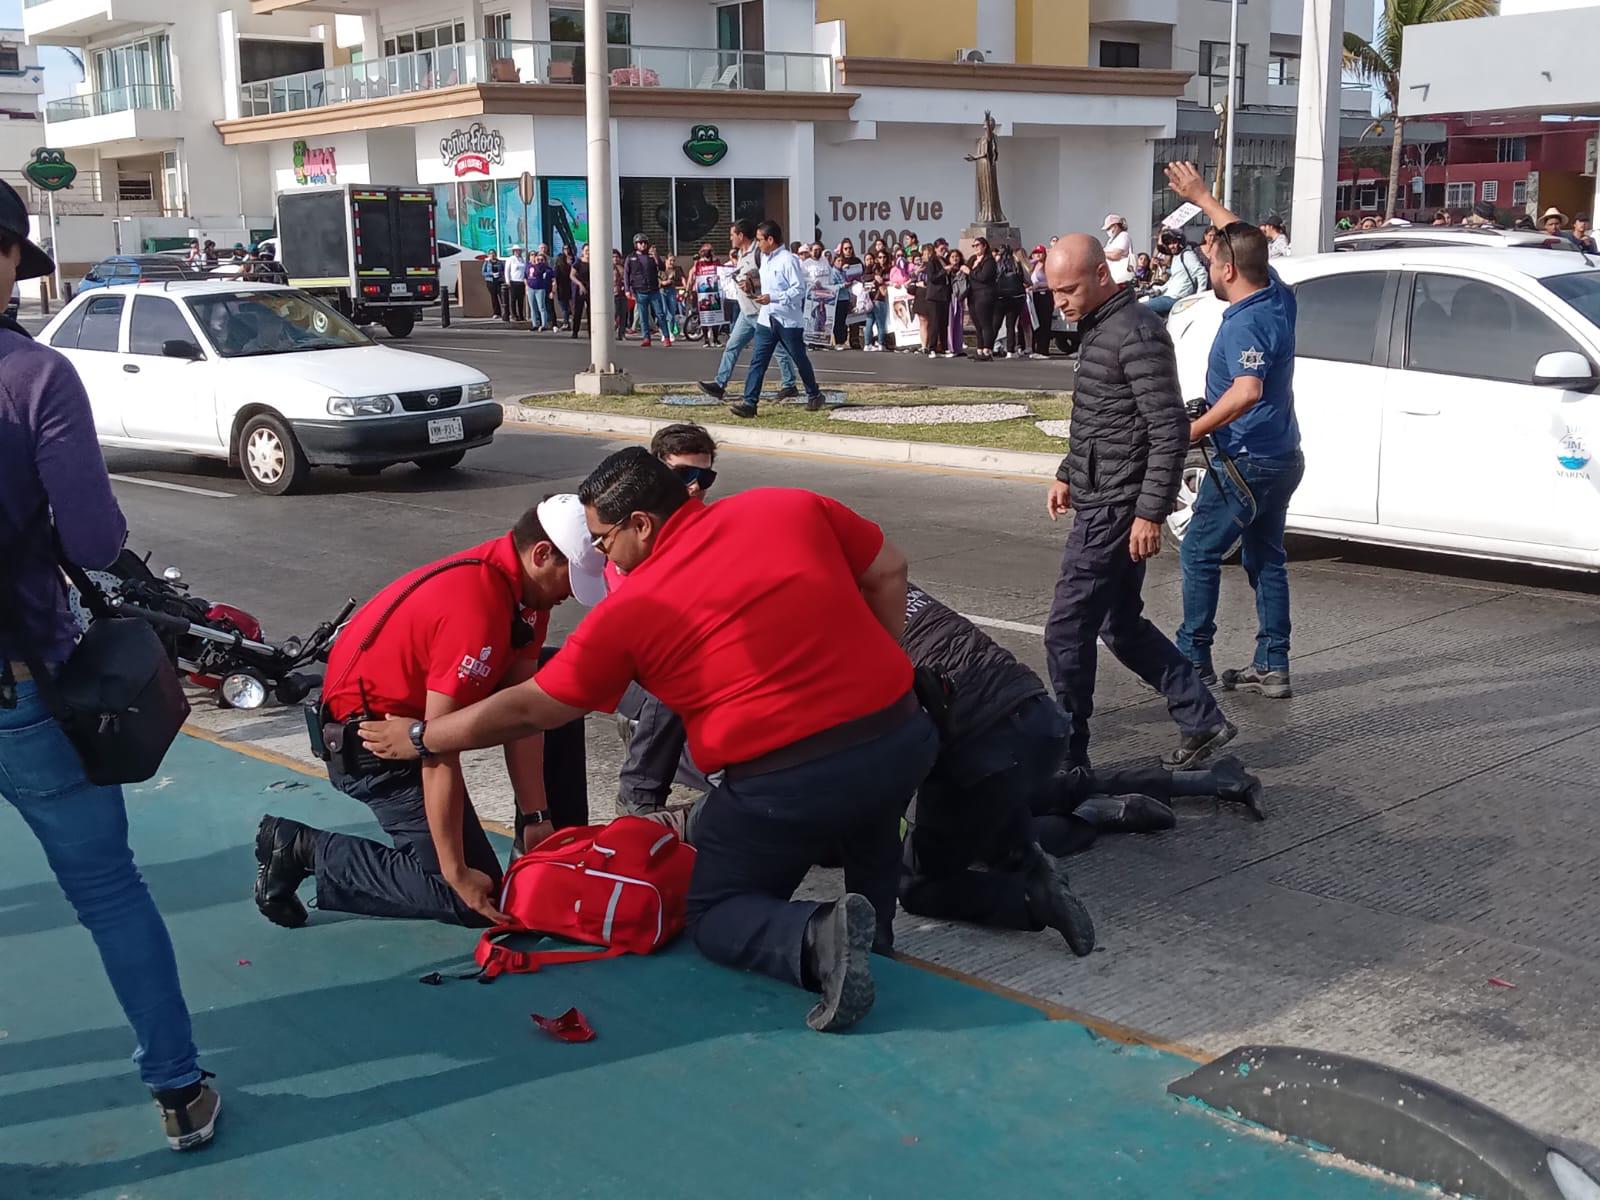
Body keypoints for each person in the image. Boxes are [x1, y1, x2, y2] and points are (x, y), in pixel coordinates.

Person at [360, 448, 939, 1033]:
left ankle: (821, 940)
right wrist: (884, 673)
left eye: (603, 539)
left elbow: (532, 705)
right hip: (903, 733)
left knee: (715, 914)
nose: (600, 553)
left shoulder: (632, 610)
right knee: (873, 821)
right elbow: (889, 569)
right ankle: (876, 939)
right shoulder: (784, 504)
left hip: (786, 781)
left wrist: (423, 735)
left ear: (642, 524)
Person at [0, 180, 222, 1151]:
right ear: (13, 260)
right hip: (26, 689)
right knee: (108, 891)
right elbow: (93, 539)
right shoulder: (35, 378)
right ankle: (178, 1091)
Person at [255, 497, 606, 936]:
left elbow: (527, 711)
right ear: (540, 554)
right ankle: (303, 849)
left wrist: (538, 820)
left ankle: (549, 857)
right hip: (375, 749)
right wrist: (457, 872)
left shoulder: (526, 592)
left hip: (418, 730)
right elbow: (437, 749)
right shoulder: (476, 606)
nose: (571, 593)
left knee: (558, 693)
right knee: (470, 901)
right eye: (571, 578)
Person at [1042, 231, 1236, 771]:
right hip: (1100, 492)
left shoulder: (1138, 333)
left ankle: (1069, 753)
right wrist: (1066, 473)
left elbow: (1169, 429)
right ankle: (1202, 719)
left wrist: (1150, 513)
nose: (1060, 301)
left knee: (1067, 626)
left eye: (1068, 289)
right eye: (1054, 291)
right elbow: (1099, 419)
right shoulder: (1101, 328)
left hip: (1117, 504)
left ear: (1101, 275)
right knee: (1119, 624)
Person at [1165, 160, 1305, 700]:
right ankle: (1273, 663)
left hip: (1247, 458)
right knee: (1265, 556)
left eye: (1211, 255)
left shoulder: (1247, 320)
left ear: (1225, 272)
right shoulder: (1278, 295)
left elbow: (1245, 392)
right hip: (1282, 454)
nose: (1207, 256)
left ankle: (1192, 660)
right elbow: (1246, 243)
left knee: (1199, 551)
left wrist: (1190, 431)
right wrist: (1203, 197)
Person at [613, 424, 721, 815]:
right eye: (682, 476)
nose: (694, 487)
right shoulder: (631, 533)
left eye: (703, 477)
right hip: (651, 677)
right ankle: (638, 799)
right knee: (675, 662)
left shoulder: (714, 527)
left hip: (712, 671)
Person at [730, 221, 827, 417]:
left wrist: (773, 297)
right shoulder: (765, 259)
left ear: (770, 240)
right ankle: (750, 403)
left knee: (799, 358)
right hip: (766, 319)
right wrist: (751, 285)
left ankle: (814, 393)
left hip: (787, 320)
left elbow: (798, 290)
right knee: (758, 361)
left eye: (760, 240)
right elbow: (765, 282)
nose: (758, 244)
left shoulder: (788, 260)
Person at [698, 218, 800, 404]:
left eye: (732, 235)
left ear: (741, 235)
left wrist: (753, 284)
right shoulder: (741, 254)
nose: (731, 239)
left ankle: (789, 384)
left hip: (761, 310)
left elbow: (770, 276)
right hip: (746, 311)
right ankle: (720, 384)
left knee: (778, 349)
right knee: (732, 346)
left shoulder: (759, 253)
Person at [1144, 230, 1209, 317]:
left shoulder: (1187, 255)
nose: (1172, 246)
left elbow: (1201, 273)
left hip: (1176, 299)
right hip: (1169, 295)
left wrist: (1199, 296)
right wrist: (1160, 289)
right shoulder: (1176, 257)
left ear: (1180, 242)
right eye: (1169, 243)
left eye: (1174, 242)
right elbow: (1173, 279)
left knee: (1141, 308)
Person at [623, 234, 667, 346]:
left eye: (645, 242)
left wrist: (656, 257)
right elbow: (626, 274)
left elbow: (662, 268)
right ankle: (646, 338)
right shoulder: (631, 258)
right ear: (635, 244)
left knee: (660, 314)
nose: (643, 245)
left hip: (653, 290)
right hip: (639, 290)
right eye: (640, 242)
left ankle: (666, 336)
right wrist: (627, 289)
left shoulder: (651, 256)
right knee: (643, 316)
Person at [917, 243, 952, 359]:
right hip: (935, 296)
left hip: (944, 295)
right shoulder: (932, 261)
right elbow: (932, 278)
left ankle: (944, 347)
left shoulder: (944, 260)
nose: (944, 250)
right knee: (935, 322)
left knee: (944, 322)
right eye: (941, 249)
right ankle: (932, 348)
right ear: (935, 249)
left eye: (945, 248)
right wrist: (944, 271)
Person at [966, 237, 999, 361]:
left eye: (978, 245)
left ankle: (987, 350)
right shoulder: (973, 259)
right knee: (978, 324)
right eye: (973, 245)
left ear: (984, 246)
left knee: (986, 323)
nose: (975, 247)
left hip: (985, 294)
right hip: (973, 295)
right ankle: (979, 349)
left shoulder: (989, 261)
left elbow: (983, 277)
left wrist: (970, 272)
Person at [995, 244, 1028, 358]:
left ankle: (988, 347)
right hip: (1016, 297)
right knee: (1011, 325)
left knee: (996, 324)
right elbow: (1026, 279)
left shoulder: (998, 264)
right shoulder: (1016, 264)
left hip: (1001, 297)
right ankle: (1010, 350)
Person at [833, 238, 863, 349]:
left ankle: (854, 340)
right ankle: (842, 340)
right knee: (842, 319)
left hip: (855, 292)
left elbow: (862, 274)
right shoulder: (840, 262)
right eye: (846, 249)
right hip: (843, 294)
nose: (848, 251)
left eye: (850, 248)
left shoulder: (857, 261)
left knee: (855, 316)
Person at [1028, 245, 1053, 356]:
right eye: (1036, 252)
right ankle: (1037, 348)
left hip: (1045, 295)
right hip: (1035, 296)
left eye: (1040, 252)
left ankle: (1044, 349)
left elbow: (1053, 282)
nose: (1038, 255)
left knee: (1044, 323)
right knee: (1036, 322)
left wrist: (1039, 285)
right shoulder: (1033, 265)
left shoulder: (1048, 266)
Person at [946, 248, 969, 357]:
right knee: (950, 323)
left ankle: (958, 347)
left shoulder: (963, 270)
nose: (955, 259)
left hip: (960, 299)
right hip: (950, 299)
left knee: (959, 323)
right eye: (952, 257)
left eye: (956, 256)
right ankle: (950, 348)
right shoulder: (947, 270)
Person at [527, 249, 555, 332]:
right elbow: (526, 276)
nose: (539, 261)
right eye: (537, 259)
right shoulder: (529, 266)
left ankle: (544, 324)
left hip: (540, 289)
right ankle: (534, 324)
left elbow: (552, 278)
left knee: (542, 307)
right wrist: (526, 286)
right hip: (531, 288)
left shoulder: (544, 267)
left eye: (541, 259)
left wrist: (553, 291)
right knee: (532, 307)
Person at [1102, 214, 1133, 283]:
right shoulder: (1111, 240)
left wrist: (1101, 252)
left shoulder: (1123, 236)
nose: (1107, 231)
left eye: (1108, 229)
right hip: (1112, 277)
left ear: (1115, 226)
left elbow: (1116, 255)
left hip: (1121, 277)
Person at [568, 246, 589, 338]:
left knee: (591, 312)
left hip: (591, 289)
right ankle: (575, 331)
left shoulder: (595, 261)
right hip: (579, 289)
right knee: (578, 310)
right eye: (586, 250)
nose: (588, 252)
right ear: (583, 251)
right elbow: (572, 276)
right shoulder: (578, 262)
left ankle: (591, 332)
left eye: (589, 250)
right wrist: (580, 285)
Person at [504, 246, 528, 323]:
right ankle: (514, 315)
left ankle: (521, 315)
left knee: (521, 299)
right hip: (514, 281)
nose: (517, 252)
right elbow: (507, 270)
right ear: (513, 251)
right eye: (516, 251)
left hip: (521, 281)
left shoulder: (523, 260)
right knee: (514, 299)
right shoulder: (510, 259)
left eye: (519, 251)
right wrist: (508, 280)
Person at [481, 249, 505, 319]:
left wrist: (499, 274)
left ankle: (505, 312)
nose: (492, 255)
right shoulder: (487, 262)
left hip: (499, 281)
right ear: (488, 255)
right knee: (494, 297)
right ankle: (496, 313)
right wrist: (491, 274)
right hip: (490, 281)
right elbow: (483, 272)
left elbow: (503, 271)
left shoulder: (499, 262)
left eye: (493, 253)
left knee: (502, 297)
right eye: (490, 253)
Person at [611, 248, 628, 341]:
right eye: (613, 257)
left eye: (617, 257)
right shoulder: (609, 268)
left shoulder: (623, 267)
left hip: (623, 294)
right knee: (614, 314)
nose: (615, 259)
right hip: (613, 294)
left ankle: (622, 333)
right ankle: (611, 332)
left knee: (623, 315)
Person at [553, 250, 572, 328]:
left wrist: (554, 289)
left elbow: (556, 279)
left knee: (564, 307)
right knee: (566, 306)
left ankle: (566, 322)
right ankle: (567, 321)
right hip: (568, 288)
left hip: (561, 289)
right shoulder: (568, 267)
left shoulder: (557, 268)